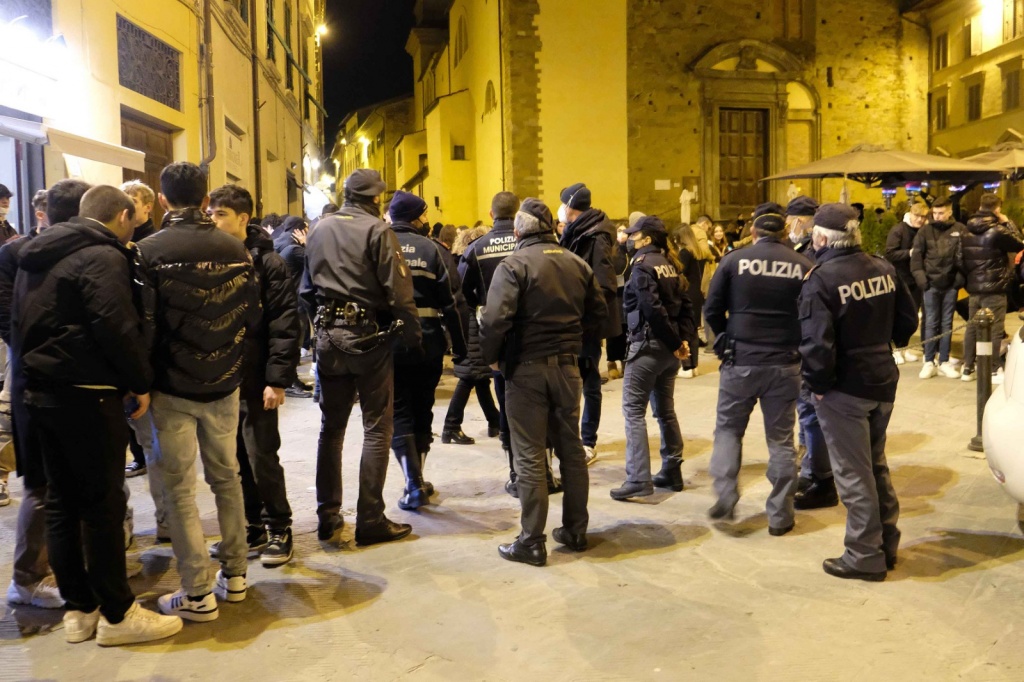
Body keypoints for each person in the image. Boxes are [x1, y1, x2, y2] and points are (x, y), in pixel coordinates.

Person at [12, 184, 182, 644]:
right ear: (125, 215)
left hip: (39, 394)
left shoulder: (35, 253)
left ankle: (80, 610)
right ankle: (119, 614)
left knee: (64, 506)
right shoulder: (102, 256)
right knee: (103, 506)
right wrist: (139, 382)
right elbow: (117, 326)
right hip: (88, 396)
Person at [137, 162, 260, 622]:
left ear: (163, 199)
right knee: (226, 478)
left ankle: (196, 592)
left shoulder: (147, 251)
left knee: (180, 489)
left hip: (170, 385)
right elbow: (252, 315)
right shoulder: (235, 248)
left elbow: (144, 325)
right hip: (224, 382)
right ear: (206, 199)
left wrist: (141, 381)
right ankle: (237, 575)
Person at [480, 198, 607, 566]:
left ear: (518, 231)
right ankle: (575, 530)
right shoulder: (577, 263)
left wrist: (494, 357)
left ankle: (531, 541)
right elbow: (600, 316)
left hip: (526, 369)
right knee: (571, 450)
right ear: (551, 228)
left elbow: (494, 320)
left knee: (530, 455)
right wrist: (575, 346)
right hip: (568, 368)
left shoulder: (514, 265)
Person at [301, 169, 421, 545]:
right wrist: (412, 336)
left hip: (327, 338)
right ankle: (370, 518)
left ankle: (327, 514)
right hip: (368, 338)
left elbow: (305, 290)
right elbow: (399, 291)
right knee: (376, 430)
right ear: (376, 199)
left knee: (331, 430)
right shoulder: (378, 231)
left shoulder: (319, 228)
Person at [799, 203, 918, 581]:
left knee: (853, 474)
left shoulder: (821, 279)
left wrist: (818, 388)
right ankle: (886, 545)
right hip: (882, 377)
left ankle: (864, 555)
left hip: (844, 387)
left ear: (821, 238)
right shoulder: (882, 266)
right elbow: (907, 319)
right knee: (875, 465)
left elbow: (817, 344)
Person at [3, 179, 90, 612]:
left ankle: (61, 566)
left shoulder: (35, 253)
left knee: (66, 482)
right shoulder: (16, 255)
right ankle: (28, 577)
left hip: (45, 379)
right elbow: (9, 319)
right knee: (42, 484)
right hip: (37, 383)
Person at [704, 203, 813, 534]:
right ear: (784, 233)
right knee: (781, 440)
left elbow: (711, 308)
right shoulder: (803, 265)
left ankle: (725, 493)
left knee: (727, 431)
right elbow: (813, 315)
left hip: (741, 360)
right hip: (785, 364)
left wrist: (722, 341)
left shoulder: (734, 260)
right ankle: (780, 515)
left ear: (752, 231)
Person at [207, 184, 300, 567]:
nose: (212, 219)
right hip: (223, 380)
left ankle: (279, 525)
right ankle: (252, 525)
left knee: (262, 454)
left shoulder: (269, 263)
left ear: (243, 219)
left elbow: (284, 323)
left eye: (220, 214)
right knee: (234, 458)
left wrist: (277, 379)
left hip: (257, 375)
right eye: (210, 212)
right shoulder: (211, 258)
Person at [387, 190, 466, 509]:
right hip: (429, 342)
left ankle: (412, 481)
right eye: (424, 214)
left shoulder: (378, 245)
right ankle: (417, 477)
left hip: (390, 344)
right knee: (423, 408)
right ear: (417, 217)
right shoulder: (431, 249)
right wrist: (460, 348)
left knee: (399, 411)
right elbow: (451, 303)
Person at [609, 215, 694, 500]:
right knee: (665, 411)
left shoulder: (643, 266)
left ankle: (637, 479)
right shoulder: (670, 264)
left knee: (633, 411)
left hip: (647, 347)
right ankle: (672, 470)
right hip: (669, 351)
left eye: (634, 236)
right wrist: (681, 342)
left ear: (646, 239)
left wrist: (673, 343)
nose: (629, 240)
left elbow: (652, 309)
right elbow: (685, 305)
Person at [459, 192, 527, 492]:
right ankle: (543, 470)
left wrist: (483, 306)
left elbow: (462, 290)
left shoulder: (477, 248)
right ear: (518, 213)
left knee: (506, 398)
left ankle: (516, 469)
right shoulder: (528, 244)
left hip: (497, 332)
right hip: (532, 331)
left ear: (491, 214)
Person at [558, 183, 620, 465]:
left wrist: (585, 316)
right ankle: (572, 437)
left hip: (585, 325)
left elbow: (604, 286)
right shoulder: (579, 231)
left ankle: (587, 442)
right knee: (572, 381)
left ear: (571, 207)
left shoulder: (595, 237)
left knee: (589, 381)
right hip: (573, 321)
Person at [958, 193, 1024, 383]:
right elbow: (1019, 243)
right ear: (997, 209)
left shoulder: (965, 229)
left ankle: (967, 367)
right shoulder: (997, 230)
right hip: (995, 287)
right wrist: (1008, 222)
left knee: (971, 327)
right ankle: (993, 368)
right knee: (995, 329)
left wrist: (972, 277)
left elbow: (959, 259)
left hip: (974, 288)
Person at [120, 180, 159, 479]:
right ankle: (139, 455)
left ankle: (149, 456)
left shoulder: (152, 241)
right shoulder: (120, 239)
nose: (128, 203)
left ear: (148, 205)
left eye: (133, 198)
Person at [912, 198, 963, 379]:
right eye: (934, 213)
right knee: (931, 322)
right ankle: (928, 360)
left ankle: (944, 360)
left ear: (949, 212)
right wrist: (922, 280)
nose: (937, 216)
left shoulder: (959, 230)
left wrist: (958, 279)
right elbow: (916, 258)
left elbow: (964, 257)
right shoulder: (925, 231)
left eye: (941, 213)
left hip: (950, 285)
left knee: (946, 323)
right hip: (930, 284)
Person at [273, 216, 313, 398]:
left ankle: (292, 380)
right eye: (306, 228)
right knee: (293, 344)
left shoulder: (279, 242)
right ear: (299, 230)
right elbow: (317, 260)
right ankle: (289, 382)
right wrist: (307, 243)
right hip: (295, 303)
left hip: (286, 302)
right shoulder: (294, 248)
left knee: (292, 343)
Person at [886, 202, 927, 365]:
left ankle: (904, 347)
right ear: (911, 214)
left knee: (911, 317)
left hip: (916, 280)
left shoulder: (924, 230)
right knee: (896, 316)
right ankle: (894, 349)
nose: (920, 220)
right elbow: (890, 253)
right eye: (917, 216)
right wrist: (910, 253)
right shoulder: (899, 230)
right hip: (901, 279)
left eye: (923, 217)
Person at [669, 223, 704, 378]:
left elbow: (679, 272)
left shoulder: (684, 253)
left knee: (686, 330)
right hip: (696, 294)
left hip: (688, 294)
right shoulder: (696, 252)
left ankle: (687, 366)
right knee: (694, 330)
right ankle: (693, 365)